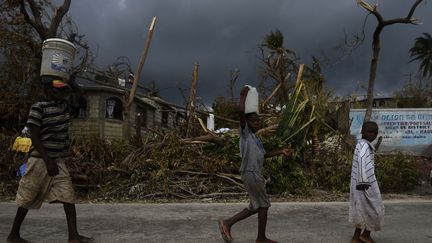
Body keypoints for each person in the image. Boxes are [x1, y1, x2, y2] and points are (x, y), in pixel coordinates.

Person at [6, 75, 94, 243]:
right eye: (56, 89)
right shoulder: (38, 107)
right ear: (47, 91)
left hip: (57, 160)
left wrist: (70, 81)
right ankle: (13, 235)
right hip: (40, 160)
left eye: (61, 89)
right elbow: (34, 135)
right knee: (27, 197)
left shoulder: (63, 107)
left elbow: (81, 94)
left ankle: (73, 237)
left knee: (68, 196)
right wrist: (47, 159)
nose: (60, 92)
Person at [218, 86, 289, 243]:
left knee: (255, 206)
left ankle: (227, 223)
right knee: (263, 205)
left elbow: (265, 155)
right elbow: (240, 113)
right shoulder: (245, 134)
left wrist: (280, 151)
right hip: (250, 172)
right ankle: (261, 238)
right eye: (253, 121)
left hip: (254, 173)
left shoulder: (256, 140)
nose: (257, 123)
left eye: (258, 121)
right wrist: (243, 95)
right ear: (247, 122)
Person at [349, 121, 384, 243]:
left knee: (360, 210)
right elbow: (362, 162)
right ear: (362, 131)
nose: (373, 134)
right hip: (365, 185)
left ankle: (356, 238)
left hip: (358, 184)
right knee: (377, 209)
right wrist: (364, 181)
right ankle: (366, 235)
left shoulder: (361, 144)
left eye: (375, 132)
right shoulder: (364, 146)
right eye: (370, 131)